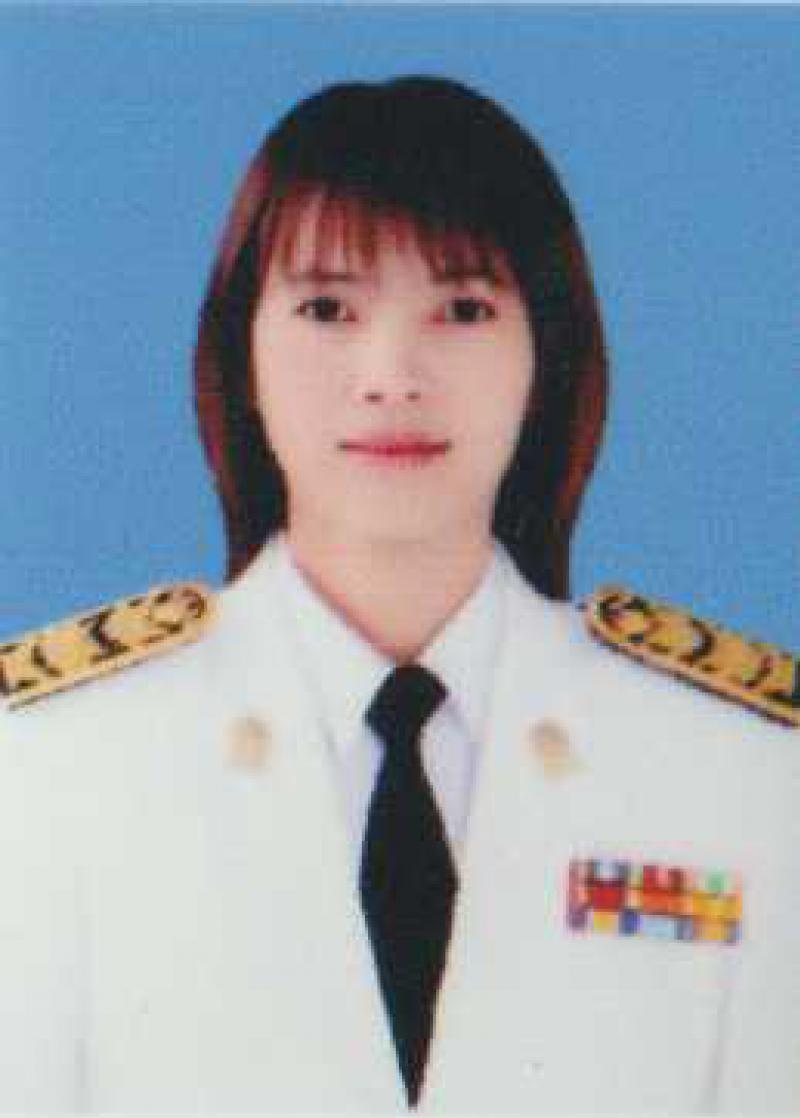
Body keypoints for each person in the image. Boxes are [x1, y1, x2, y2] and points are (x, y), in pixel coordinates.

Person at [0, 76, 797, 1114]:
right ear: (241, 352)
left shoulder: (736, 770)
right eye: (327, 308)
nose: (390, 374)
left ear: (545, 356)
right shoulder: (54, 764)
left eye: (463, 309)